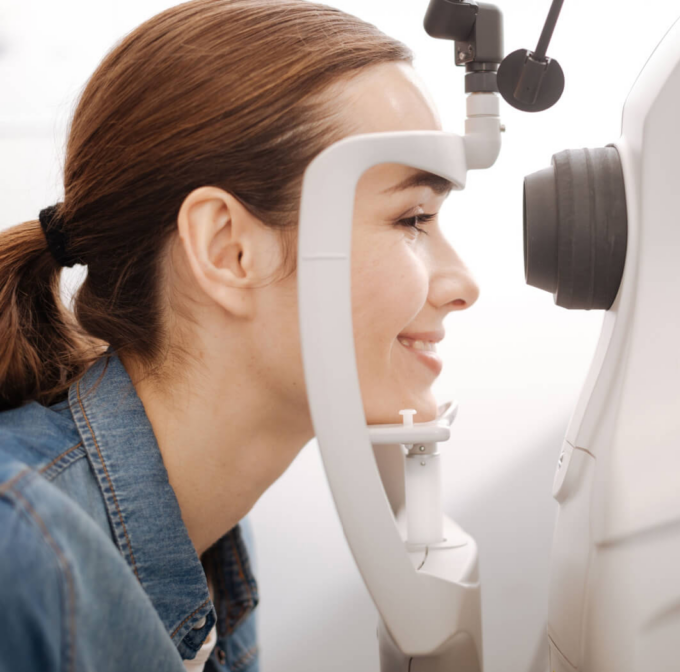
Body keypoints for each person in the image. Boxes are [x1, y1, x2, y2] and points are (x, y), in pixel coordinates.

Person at [0, 0, 480, 670]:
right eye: (413, 218)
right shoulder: (19, 555)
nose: (463, 284)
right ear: (229, 250)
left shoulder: (208, 529)